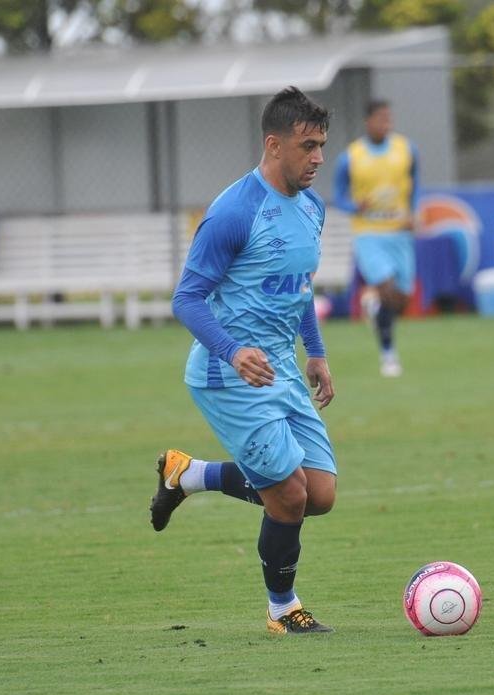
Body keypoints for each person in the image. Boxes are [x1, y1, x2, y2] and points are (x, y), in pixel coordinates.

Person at [150, 87, 338, 635]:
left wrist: (317, 352)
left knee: (319, 494)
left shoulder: (312, 207)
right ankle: (283, 609)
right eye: (308, 146)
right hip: (227, 374)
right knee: (289, 495)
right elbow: (185, 298)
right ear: (274, 145)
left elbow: (298, 290)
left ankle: (187, 475)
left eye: (322, 145)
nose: (318, 158)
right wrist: (232, 352)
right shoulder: (235, 211)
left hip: (279, 367)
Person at [333, 99, 419, 378]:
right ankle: (389, 356)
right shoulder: (351, 156)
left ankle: (375, 307)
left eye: (389, 118)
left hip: (400, 232)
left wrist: (414, 212)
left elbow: (416, 184)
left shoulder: (406, 149)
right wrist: (355, 207)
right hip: (368, 233)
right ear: (368, 121)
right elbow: (339, 196)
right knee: (385, 285)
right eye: (381, 118)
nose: (386, 124)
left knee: (401, 300)